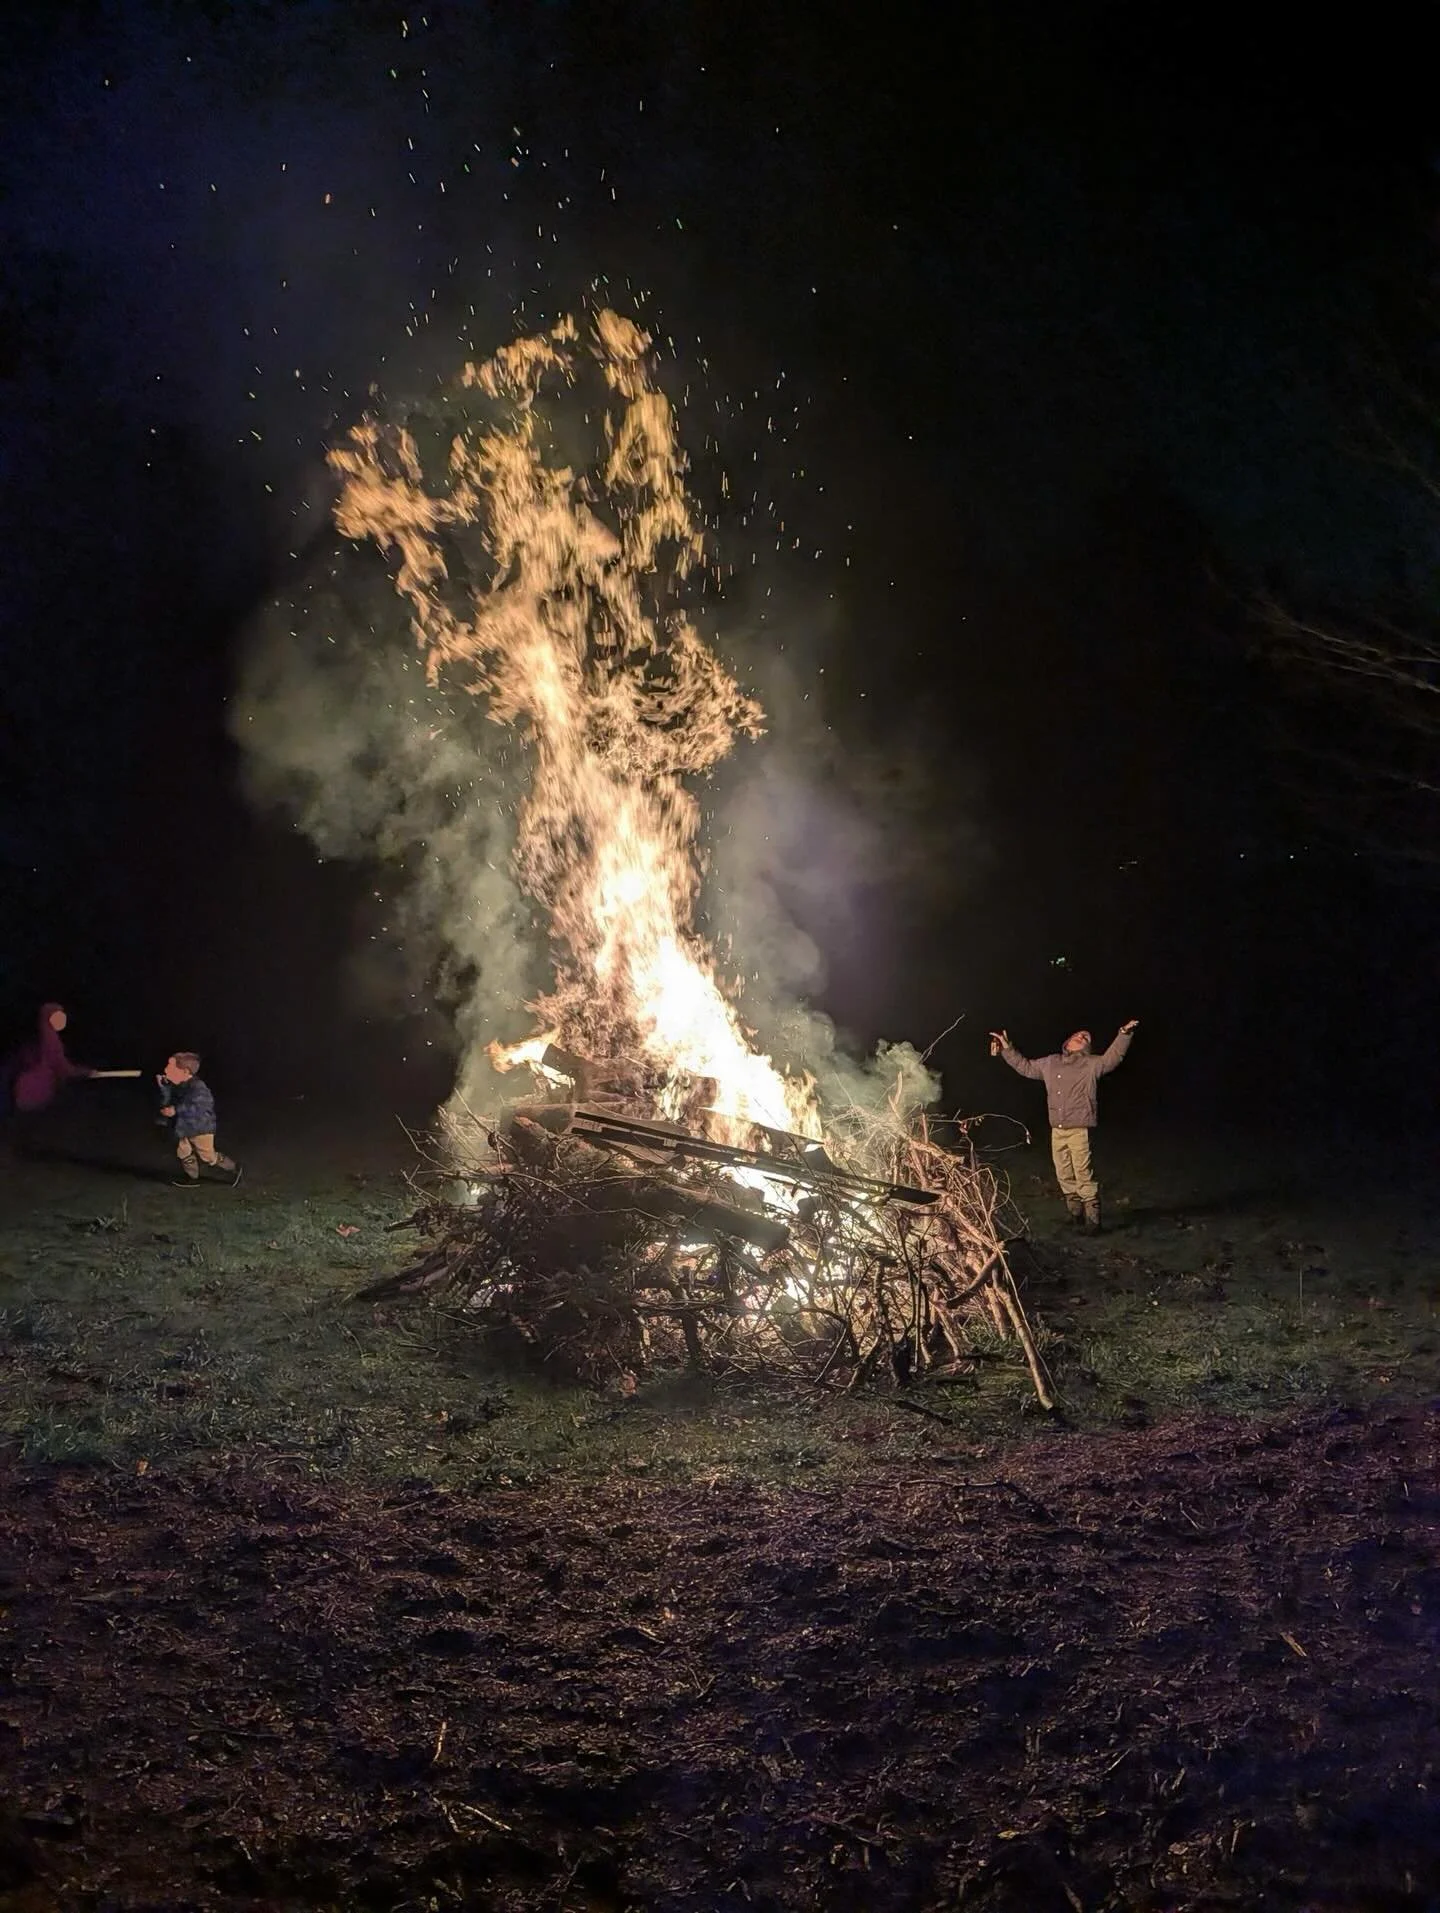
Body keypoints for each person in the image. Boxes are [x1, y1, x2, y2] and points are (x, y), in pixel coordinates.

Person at [989, 1021, 1139, 1231]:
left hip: (1079, 1128)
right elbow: (1026, 1067)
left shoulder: (1091, 1064)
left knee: (1083, 1172)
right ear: (1068, 1042)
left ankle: (1093, 1221)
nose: (1082, 1036)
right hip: (1057, 1129)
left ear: (1087, 1047)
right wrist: (1007, 1048)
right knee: (1063, 1171)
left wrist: (1124, 1034)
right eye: (1078, 1034)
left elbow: (1113, 1058)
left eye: (1086, 1038)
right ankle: (1075, 1214)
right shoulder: (1051, 1062)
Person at [157, 1051, 242, 1188]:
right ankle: (192, 1178)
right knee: (183, 1152)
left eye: (170, 1067)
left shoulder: (198, 1087)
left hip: (200, 1128)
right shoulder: (178, 1086)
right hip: (183, 1127)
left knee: (207, 1156)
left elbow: (200, 1107)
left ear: (185, 1071)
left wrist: (176, 1110)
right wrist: (165, 1089)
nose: (166, 1070)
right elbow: (168, 1101)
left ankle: (235, 1169)